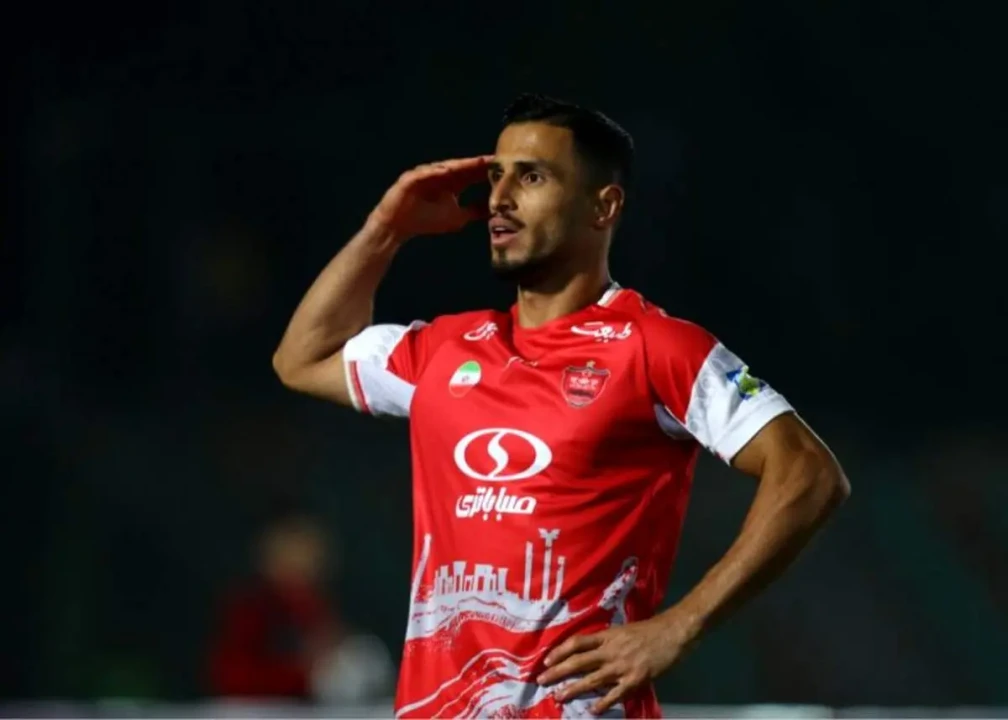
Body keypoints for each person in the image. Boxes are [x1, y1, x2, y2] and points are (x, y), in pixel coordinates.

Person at [272, 93, 850, 718]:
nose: (500, 197)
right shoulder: (443, 350)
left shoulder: (656, 347)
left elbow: (810, 473)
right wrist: (386, 231)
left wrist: (680, 625)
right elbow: (301, 359)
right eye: (497, 175)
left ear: (604, 206)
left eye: (532, 177)